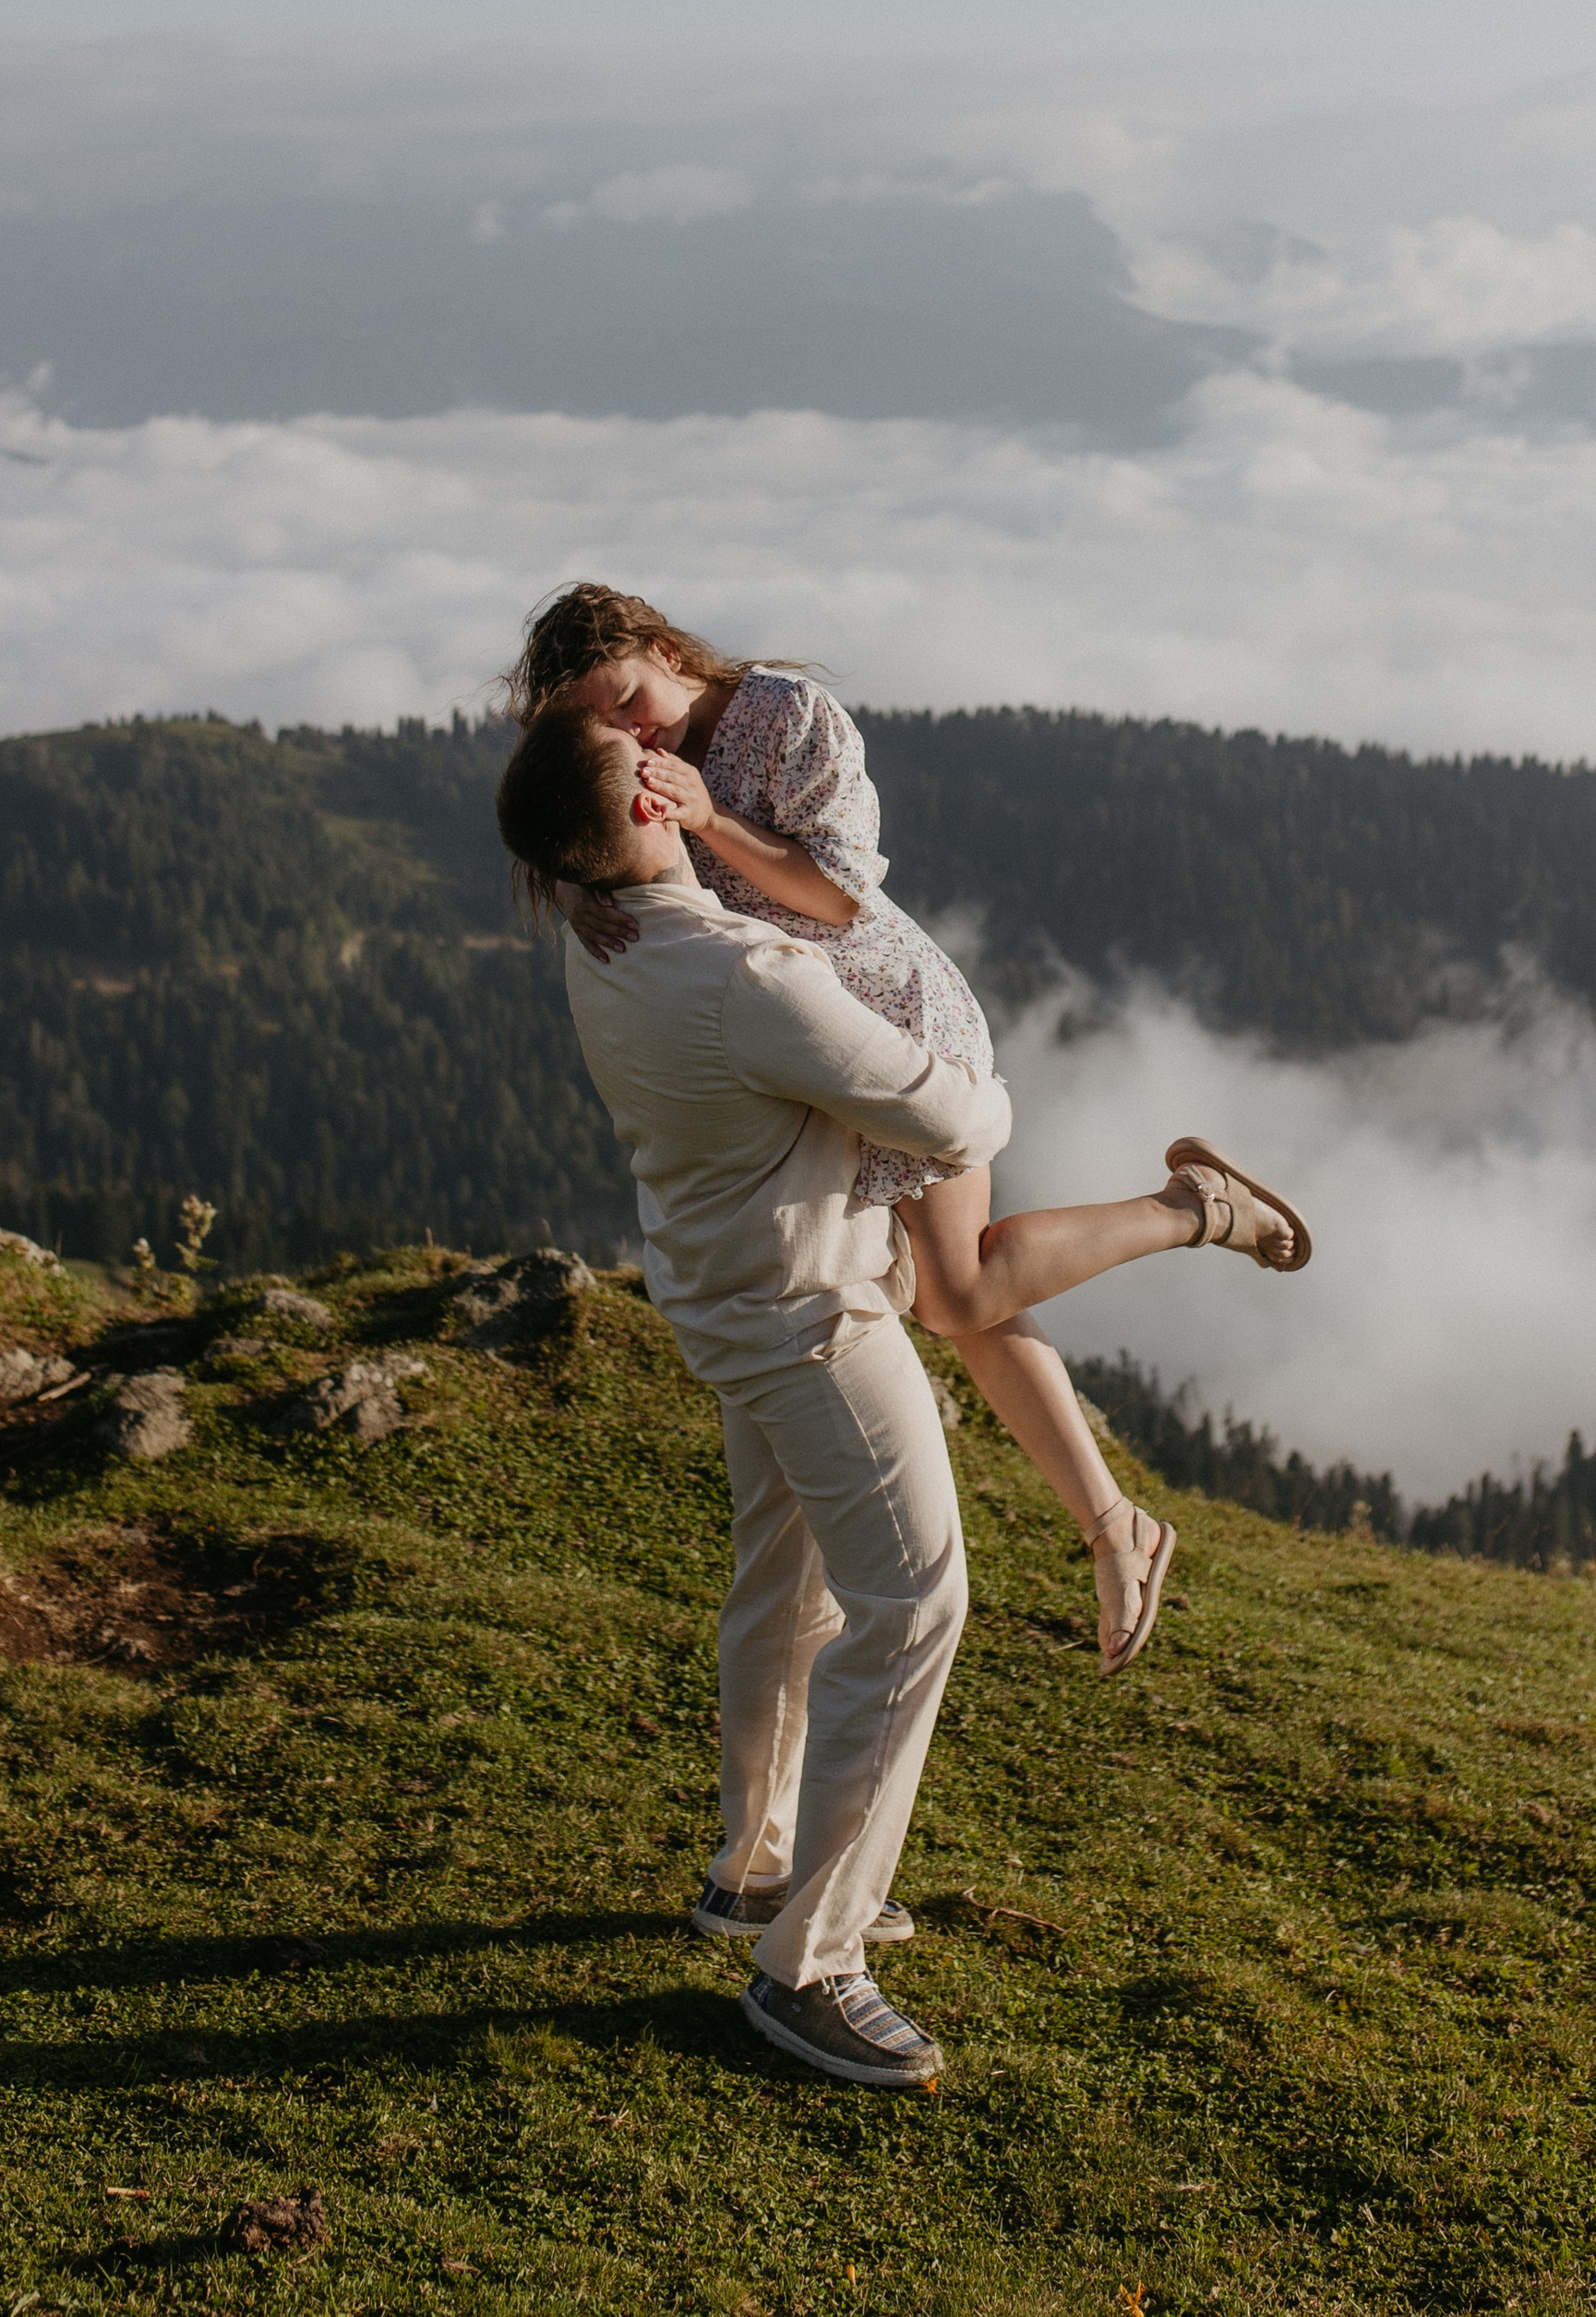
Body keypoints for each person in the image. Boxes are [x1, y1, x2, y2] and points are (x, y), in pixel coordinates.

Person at [492, 702, 1299, 2092]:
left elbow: (593, 857)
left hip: (720, 1295)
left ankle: (756, 1872)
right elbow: (962, 1124)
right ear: (644, 818)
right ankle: (811, 1964)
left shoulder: (599, 936)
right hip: (815, 1321)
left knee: (786, 1588)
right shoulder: (745, 977)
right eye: (648, 769)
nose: (664, 761)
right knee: (917, 1601)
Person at [503, 582, 1309, 1675]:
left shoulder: (786, 717)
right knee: (960, 1301)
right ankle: (1115, 1525)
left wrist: (704, 817)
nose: (635, 733)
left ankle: (1193, 1209)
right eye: (609, 727)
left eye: (633, 700)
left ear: (660, 646)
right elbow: (585, 823)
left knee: (959, 1292)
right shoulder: (620, 758)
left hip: (888, 1029)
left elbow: (837, 898)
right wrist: (571, 879)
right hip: (792, 1055)